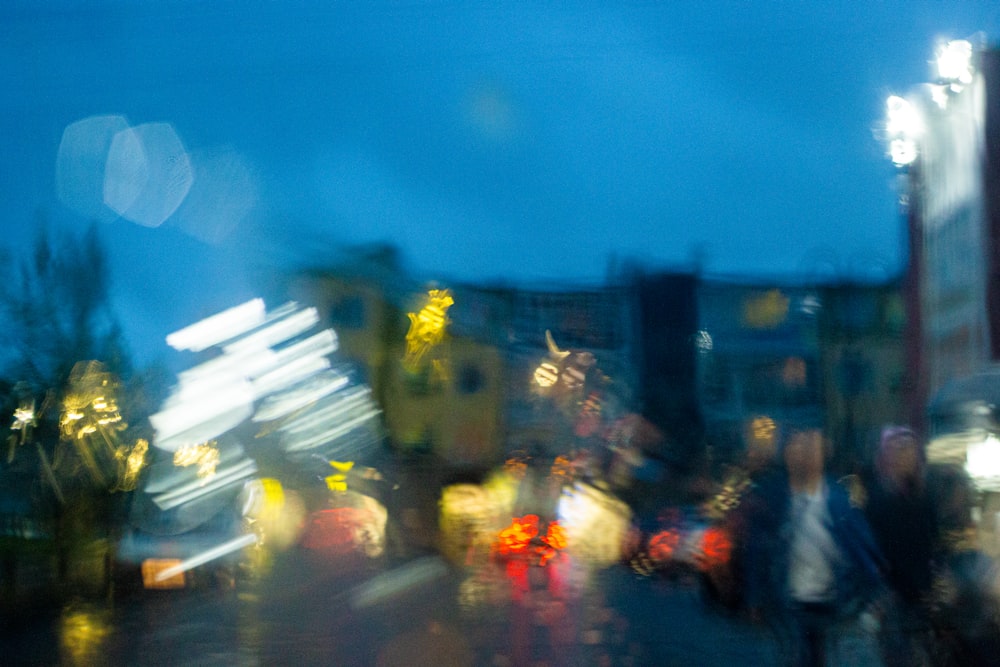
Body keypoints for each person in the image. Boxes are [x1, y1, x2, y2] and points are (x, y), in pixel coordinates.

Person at [742, 420, 886, 666]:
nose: (806, 453)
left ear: (823, 453)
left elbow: (863, 549)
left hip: (836, 603)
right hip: (789, 603)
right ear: (786, 454)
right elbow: (758, 550)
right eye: (798, 446)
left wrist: (875, 593)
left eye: (812, 446)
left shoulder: (840, 500)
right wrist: (755, 597)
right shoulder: (773, 499)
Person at [862, 425, 938, 666]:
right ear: (885, 457)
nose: (904, 455)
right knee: (899, 655)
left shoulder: (924, 497)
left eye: (908, 450)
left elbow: (931, 541)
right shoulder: (876, 499)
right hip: (891, 594)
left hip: (920, 592)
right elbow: (871, 549)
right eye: (896, 449)